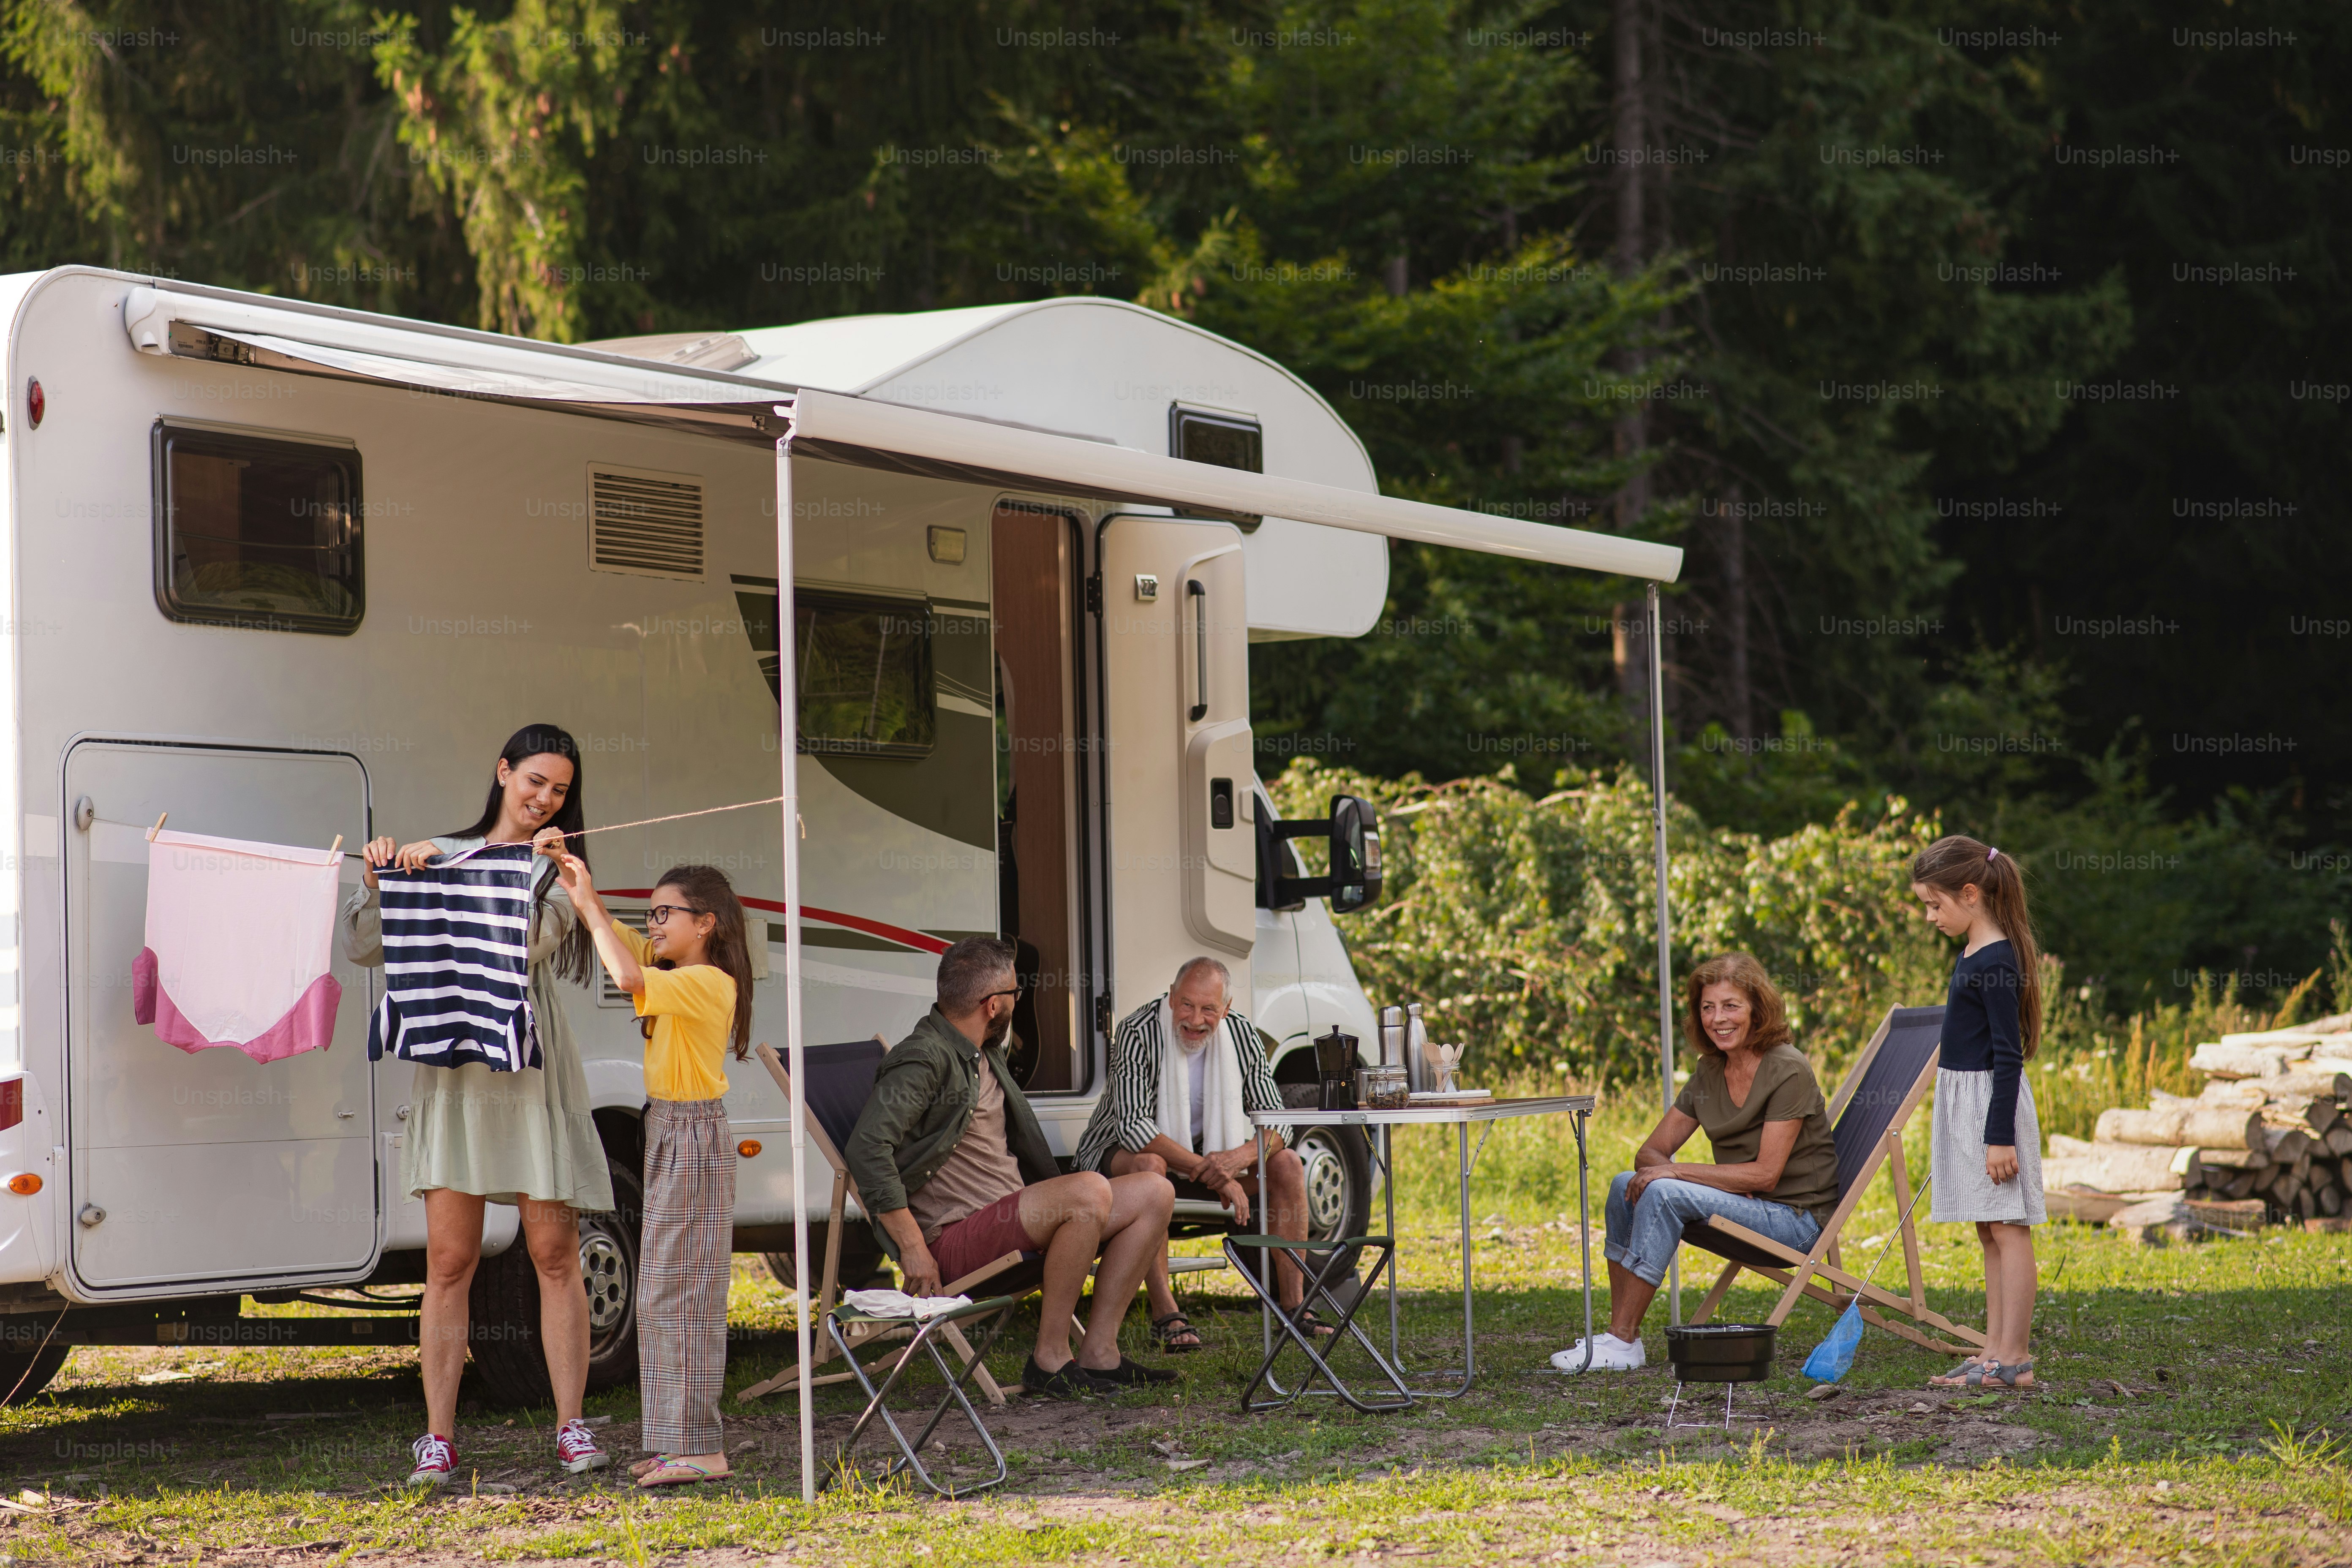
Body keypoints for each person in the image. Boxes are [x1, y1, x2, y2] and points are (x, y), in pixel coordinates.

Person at [343, 723, 615, 1486]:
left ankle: (570, 1425)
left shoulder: (556, 871)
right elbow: (369, 948)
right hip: (458, 1070)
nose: (544, 798)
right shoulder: (437, 850)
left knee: (556, 1256)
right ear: (502, 772)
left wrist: (481, 879)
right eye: (534, 781)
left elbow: (529, 943)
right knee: (449, 1261)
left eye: (559, 789)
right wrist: (386, 880)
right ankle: (437, 1437)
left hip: (529, 1072)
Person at [845, 938, 1178, 1397]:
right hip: (955, 1239)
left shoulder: (982, 1049)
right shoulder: (924, 1059)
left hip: (1007, 1218)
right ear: (994, 1004)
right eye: (1016, 994)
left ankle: (1100, 1353)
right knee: (1089, 1191)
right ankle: (1049, 1357)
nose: (1019, 1001)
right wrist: (912, 1247)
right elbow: (866, 1149)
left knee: (1155, 1192)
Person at [560, 858, 756, 1485]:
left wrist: (589, 903)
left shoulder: (709, 980)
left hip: (694, 1132)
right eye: (653, 913)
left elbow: (621, 969)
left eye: (667, 912)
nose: (656, 922)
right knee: (661, 1294)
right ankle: (678, 1442)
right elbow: (620, 938)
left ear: (707, 923)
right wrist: (579, 886)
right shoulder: (679, 966)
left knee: (687, 1294)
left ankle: (703, 1447)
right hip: (670, 1128)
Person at [1552, 952, 1840, 1373]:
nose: (1718, 1018)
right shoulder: (1711, 1071)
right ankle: (1622, 1339)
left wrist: (1676, 1171)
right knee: (1623, 1183)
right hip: (1747, 1210)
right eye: (1708, 1007)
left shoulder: (1788, 1069)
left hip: (1795, 1223)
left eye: (1731, 1006)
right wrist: (1674, 1172)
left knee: (1665, 1189)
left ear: (1758, 1010)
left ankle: (1621, 1339)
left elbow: (1765, 1174)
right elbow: (1650, 1152)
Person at [1074, 957, 1317, 1351]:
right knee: (1150, 1168)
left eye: (1209, 1009)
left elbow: (1280, 1123)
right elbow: (1134, 1128)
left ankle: (1294, 1305)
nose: (1196, 1019)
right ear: (1171, 998)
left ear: (1227, 1007)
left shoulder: (1242, 1035)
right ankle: (1166, 1313)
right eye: (1187, 1004)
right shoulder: (1137, 1031)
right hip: (1118, 1153)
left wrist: (1238, 1159)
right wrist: (1218, 1174)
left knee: (1287, 1163)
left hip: (1206, 1159)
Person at [1911, 835, 2045, 1391]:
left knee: (2009, 1229)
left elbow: (2007, 1055)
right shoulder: (1974, 952)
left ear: (1971, 894)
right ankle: (1992, 1351)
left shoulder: (1995, 961)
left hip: (1994, 1109)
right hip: (1969, 1106)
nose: (1929, 917)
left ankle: (2014, 1359)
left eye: (1934, 904)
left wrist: (1999, 1139)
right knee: (1988, 1229)